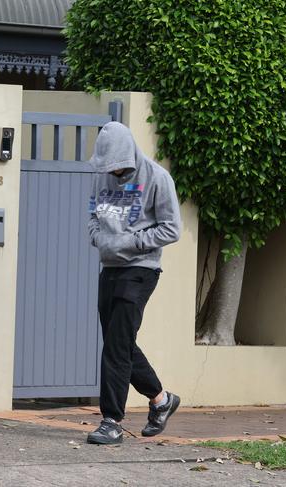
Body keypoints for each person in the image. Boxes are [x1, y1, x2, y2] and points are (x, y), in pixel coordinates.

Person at [86, 121, 182, 444]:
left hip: (141, 269)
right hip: (110, 267)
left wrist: (132, 243)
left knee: (116, 345)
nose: (113, 174)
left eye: (118, 169)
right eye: (108, 169)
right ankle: (161, 400)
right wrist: (100, 239)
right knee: (119, 341)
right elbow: (92, 217)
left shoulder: (157, 178)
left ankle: (111, 421)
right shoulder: (101, 178)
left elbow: (172, 229)